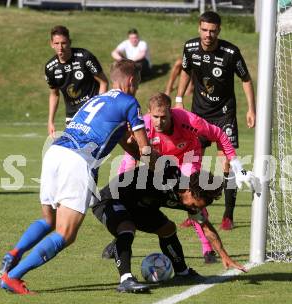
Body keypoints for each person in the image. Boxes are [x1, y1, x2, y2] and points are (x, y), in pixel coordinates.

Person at [0, 60, 157, 295]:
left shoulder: (96, 99)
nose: (137, 88)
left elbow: (124, 141)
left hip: (54, 153)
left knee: (49, 220)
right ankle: (12, 277)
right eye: (138, 83)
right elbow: (144, 150)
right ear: (132, 81)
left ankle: (13, 254)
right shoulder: (129, 102)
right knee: (66, 234)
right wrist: (161, 167)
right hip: (77, 161)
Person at [108, 92, 257, 264]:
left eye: (163, 117)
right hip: (159, 159)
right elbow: (132, 152)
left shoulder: (189, 120)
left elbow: (219, 135)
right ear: (149, 113)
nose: (159, 122)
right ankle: (120, 239)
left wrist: (237, 166)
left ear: (171, 112)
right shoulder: (143, 126)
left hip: (187, 157)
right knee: (124, 192)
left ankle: (207, 248)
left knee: (192, 198)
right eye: (155, 116)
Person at [92, 165, 248, 293]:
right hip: (110, 200)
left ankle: (182, 273)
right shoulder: (167, 177)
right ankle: (125, 280)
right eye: (194, 205)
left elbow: (205, 227)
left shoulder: (191, 197)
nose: (193, 209)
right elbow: (149, 158)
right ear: (189, 190)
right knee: (127, 228)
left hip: (139, 207)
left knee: (168, 228)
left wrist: (224, 256)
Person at [175, 11, 256, 231]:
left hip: (224, 114)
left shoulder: (231, 52)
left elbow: (246, 80)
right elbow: (184, 71)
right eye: (204, 30)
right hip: (198, 115)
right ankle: (195, 212)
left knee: (226, 164)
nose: (208, 34)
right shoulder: (190, 48)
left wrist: (251, 109)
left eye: (212, 31)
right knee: (190, 163)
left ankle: (228, 215)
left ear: (218, 30)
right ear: (199, 28)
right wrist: (179, 99)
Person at [45, 25, 109, 138]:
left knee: (93, 147)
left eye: (63, 43)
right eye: (56, 43)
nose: (60, 47)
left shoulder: (84, 57)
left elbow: (103, 82)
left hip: (92, 111)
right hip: (72, 115)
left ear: (69, 42)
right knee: (73, 149)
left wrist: (99, 109)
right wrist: (50, 121)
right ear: (51, 44)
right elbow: (54, 95)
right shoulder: (51, 68)